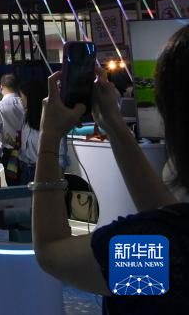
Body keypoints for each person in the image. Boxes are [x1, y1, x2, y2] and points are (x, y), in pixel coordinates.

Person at [33, 25, 189, 313]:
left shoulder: (162, 257)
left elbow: (50, 251)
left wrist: (49, 137)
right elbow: (167, 214)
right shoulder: (171, 247)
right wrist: (114, 125)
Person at [0, 73, 25, 185]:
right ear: (18, 87)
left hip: (9, 153)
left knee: (13, 186)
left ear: (1, 87)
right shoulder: (25, 103)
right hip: (28, 151)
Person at [15, 80, 49, 185]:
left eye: (22, 97)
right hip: (25, 169)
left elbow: (60, 157)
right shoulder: (26, 116)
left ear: (31, 98)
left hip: (41, 172)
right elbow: (26, 148)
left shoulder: (48, 120)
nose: (21, 100)